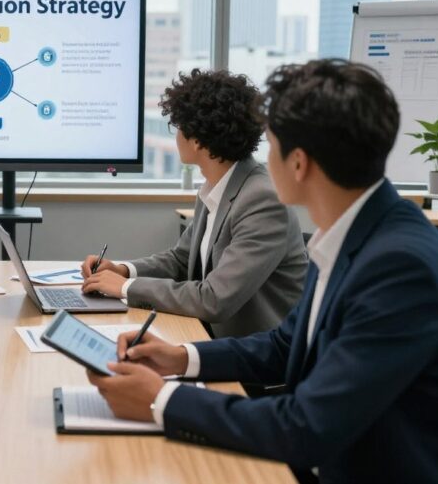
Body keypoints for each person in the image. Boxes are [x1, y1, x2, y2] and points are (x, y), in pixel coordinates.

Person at [87, 60, 438, 483]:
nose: (262, 160)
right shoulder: (356, 233)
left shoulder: (399, 267)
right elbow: (287, 345)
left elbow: (308, 426)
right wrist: (180, 357)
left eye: (270, 145)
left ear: (299, 163)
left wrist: (163, 400)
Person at [80, 69, 307, 338]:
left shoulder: (262, 199)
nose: (175, 136)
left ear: (198, 141)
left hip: (253, 359)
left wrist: (125, 287)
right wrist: (123, 270)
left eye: (178, 127)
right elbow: (181, 259)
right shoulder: (218, 184)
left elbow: (214, 299)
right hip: (209, 337)